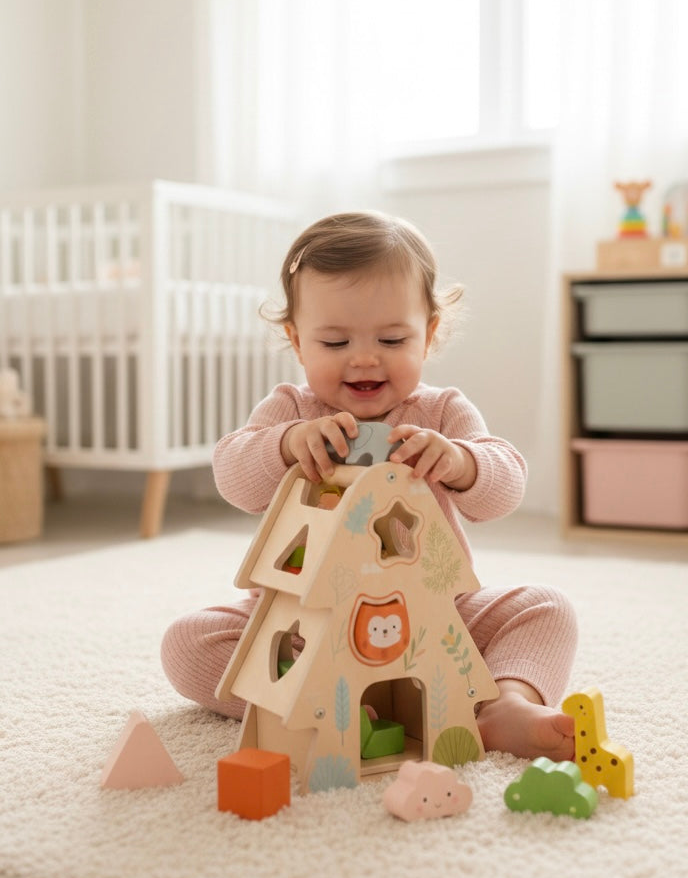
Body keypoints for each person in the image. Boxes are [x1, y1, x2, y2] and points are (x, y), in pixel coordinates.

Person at [161, 211, 577, 761]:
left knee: (546, 608)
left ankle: (504, 705)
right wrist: (286, 444)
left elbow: (504, 487)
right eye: (334, 342)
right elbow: (233, 476)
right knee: (187, 643)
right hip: (303, 630)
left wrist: (460, 463)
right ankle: (320, 708)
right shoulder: (292, 409)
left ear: (427, 335)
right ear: (297, 340)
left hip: (434, 619)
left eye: (390, 337)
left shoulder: (441, 411)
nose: (363, 357)